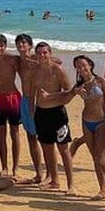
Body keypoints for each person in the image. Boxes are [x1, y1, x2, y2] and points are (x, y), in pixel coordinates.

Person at [53, 56, 105, 202]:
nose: (81, 68)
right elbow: (66, 96)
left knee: (102, 159)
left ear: (90, 65)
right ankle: (103, 190)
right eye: (77, 66)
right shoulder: (80, 85)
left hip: (102, 122)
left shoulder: (101, 81)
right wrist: (51, 96)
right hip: (87, 122)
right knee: (95, 159)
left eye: (84, 65)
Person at [29, 42, 76, 194]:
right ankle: (54, 180)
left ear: (50, 53)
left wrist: (51, 97)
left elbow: (70, 92)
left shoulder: (58, 70)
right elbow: (32, 94)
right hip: (41, 114)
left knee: (64, 150)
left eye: (45, 53)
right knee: (47, 149)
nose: (42, 56)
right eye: (39, 53)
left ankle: (71, 185)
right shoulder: (34, 71)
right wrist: (31, 111)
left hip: (57, 114)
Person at [0, 34, 23, 178]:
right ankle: (4, 167)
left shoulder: (12, 59)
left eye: (1, 45)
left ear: (5, 46)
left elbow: (27, 67)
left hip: (13, 97)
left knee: (14, 133)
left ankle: (15, 167)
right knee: (1, 134)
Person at [14, 34, 44, 183]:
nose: (21, 46)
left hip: (36, 101)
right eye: (19, 43)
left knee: (44, 139)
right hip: (24, 101)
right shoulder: (19, 61)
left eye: (24, 43)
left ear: (30, 45)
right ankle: (38, 174)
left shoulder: (36, 58)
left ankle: (50, 175)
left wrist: (39, 61)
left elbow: (57, 61)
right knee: (31, 138)